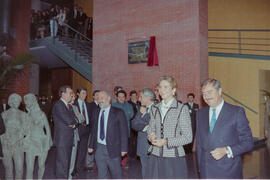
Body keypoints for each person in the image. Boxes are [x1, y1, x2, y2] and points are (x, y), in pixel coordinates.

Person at [196, 78, 254, 178]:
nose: (206, 96)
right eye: (203, 93)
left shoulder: (236, 112)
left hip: (228, 171)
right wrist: (200, 168)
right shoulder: (200, 114)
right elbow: (199, 144)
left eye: (210, 92)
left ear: (219, 91)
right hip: (206, 172)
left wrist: (227, 150)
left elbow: (248, 142)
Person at [147, 76, 192, 178]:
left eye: (166, 87)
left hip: (173, 157)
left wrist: (166, 141)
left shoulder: (181, 109)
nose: (162, 90)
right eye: (160, 87)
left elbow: (188, 137)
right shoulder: (155, 108)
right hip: (155, 155)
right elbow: (151, 127)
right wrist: (150, 135)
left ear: (173, 90)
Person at [88, 91, 128, 179]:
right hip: (99, 149)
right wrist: (91, 145)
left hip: (113, 148)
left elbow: (124, 132)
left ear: (109, 99)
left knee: (116, 174)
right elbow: (94, 130)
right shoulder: (95, 112)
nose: (99, 100)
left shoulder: (118, 112)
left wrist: (124, 149)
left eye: (102, 97)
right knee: (101, 174)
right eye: (98, 98)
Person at [23, 93, 53, 179]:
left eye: (28, 102)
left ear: (33, 102)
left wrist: (48, 140)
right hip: (30, 142)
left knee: (41, 165)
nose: (27, 104)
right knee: (29, 168)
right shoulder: (26, 115)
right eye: (26, 103)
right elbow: (24, 130)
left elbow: (47, 128)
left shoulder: (41, 114)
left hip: (41, 141)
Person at [52, 85, 78, 179]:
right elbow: (69, 120)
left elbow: (75, 120)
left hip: (68, 140)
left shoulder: (68, 106)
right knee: (62, 166)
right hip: (62, 141)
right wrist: (74, 122)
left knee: (66, 165)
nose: (72, 95)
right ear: (63, 94)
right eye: (70, 93)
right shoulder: (58, 105)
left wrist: (74, 123)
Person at [131, 88, 155, 178]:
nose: (139, 99)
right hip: (142, 145)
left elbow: (154, 124)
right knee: (145, 170)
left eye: (141, 97)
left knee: (155, 171)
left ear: (147, 97)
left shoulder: (158, 107)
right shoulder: (141, 109)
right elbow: (133, 124)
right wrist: (145, 126)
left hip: (154, 146)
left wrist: (144, 115)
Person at [72, 87, 92, 176]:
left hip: (86, 129)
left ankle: (79, 169)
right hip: (78, 129)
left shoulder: (88, 105)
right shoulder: (73, 104)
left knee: (83, 150)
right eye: (83, 93)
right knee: (75, 150)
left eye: (85, 93)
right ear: (78, 94)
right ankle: (73, 168)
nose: (85, 95)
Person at [112, 90, 134, 168]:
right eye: (119, 97)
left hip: (125, 130)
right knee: (115, 148)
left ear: (125, 98)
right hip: (114, 131)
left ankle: (124, 163)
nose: (121, 98)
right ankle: (116, 163)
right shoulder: (113, 105)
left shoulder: (129, 106)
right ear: (117, 98)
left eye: (123, 97)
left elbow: (131, 115)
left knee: (124, 147)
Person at [68, 92, 84, 179]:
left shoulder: (75, 107)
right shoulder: (63, 107)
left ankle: (70, 176)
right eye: (72, 96)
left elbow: (82, 119)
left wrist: (76, 120)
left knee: (73, 158)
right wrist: (76, 118)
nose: (74, 98)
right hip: (65, 137)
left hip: (74, 135)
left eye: (74, 97)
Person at [85, 90, 100, 172]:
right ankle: (89, 165)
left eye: (99, 95)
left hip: (100, 130)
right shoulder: (90, 105)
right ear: (93, 96)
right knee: (90, 146)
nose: (98, 97)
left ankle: (98, 163)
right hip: (92, 129)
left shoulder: (101, 105)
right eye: (96, 95)